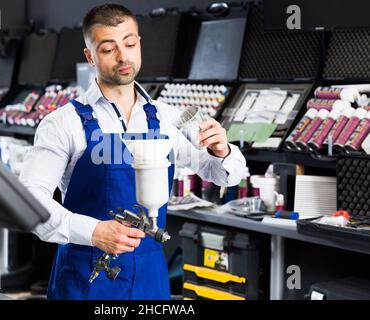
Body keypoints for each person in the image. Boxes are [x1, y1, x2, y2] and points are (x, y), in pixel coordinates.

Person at [19, 3, 246, 300]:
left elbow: (225, 175)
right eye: (108, 49)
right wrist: (94, 231)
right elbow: (29, 203)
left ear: (139, 43)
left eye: (129, 43)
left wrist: (222, 150)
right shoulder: (63, 123)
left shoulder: (167, 118)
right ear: (90, 56)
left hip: (150, 280)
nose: (123, 56)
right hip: (86, 279)